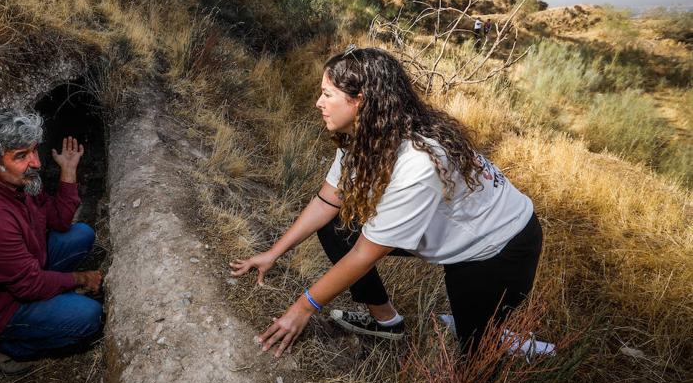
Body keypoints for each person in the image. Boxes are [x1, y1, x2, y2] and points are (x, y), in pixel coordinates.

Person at [230, 47, 547, 359]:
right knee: (337, 226)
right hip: (463, 234)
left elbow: (363, 256)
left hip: (498, 247)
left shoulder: (419, 162)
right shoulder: (366, 132)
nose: (318, 103)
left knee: (476, 355)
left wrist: (301, 309)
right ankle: (388, 322)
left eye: (328, 94)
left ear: (360, 101)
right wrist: (273, 253)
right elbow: (328, 202)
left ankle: (504, 338)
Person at [0, 108, 103, 374]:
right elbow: (29, 286)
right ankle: (5, 345)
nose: (37, 163)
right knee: (89, 316)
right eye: (21, 156)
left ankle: (56, 299)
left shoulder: (21, 182)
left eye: (34, 150)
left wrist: (68, 170)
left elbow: (61, 221)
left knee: (81, 234)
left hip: (28, 264)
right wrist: (80, 278)